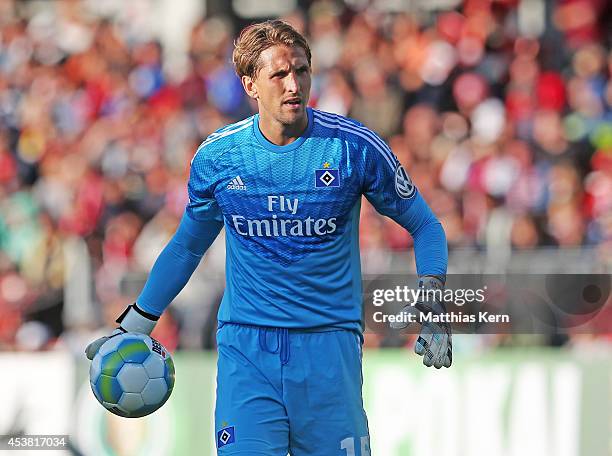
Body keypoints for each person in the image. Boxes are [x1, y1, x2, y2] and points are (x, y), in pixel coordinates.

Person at [85, 20, 450, 455]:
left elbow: (426, 225)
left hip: (329, 350)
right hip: (247, 350)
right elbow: (188, 244)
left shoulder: (353, 148)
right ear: (250, 84)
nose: (293, 84)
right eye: (278, 74)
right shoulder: (220, 157)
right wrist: (137, 323)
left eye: (301, 70)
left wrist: (433, 301)